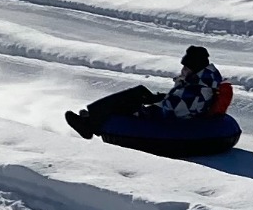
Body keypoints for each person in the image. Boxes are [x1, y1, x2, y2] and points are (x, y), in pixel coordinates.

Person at [68, 45, 223, 139]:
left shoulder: (197, 89)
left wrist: (145, 107)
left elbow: (172, 111)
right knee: (139, 92)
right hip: (171, 110)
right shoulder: (202, 82)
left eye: (186, 68)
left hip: (167, 120)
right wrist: (156, 98)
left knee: (129, 100)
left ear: (194, 69)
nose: (182, 71)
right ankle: (92, 118)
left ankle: (90, 125)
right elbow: (177, 101)